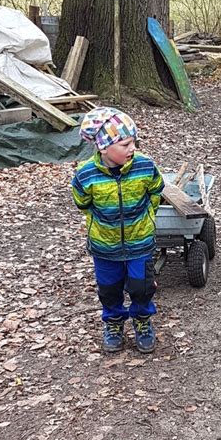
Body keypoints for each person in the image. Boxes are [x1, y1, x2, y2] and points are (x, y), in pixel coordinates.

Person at [71, 107, 164, 353]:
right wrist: (100, 223)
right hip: (105, 245)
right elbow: (82, 202)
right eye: (124, 144)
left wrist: (148, 216)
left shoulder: (144, 165)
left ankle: (143, 321)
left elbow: (156, 190)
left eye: (133, 142)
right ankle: (113, 323)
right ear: (103, 147)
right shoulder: (86, 174)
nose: (132, 148)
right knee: (109, 288)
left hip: (140, 242)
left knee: (141, 286)